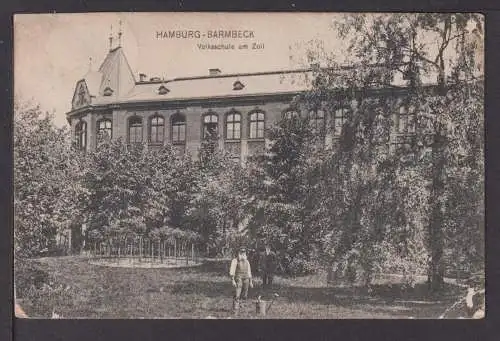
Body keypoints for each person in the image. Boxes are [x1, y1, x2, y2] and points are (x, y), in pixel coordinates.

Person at [229, 247, 253, 313]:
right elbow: (232, 271)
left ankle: (241, 304)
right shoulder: (235, 260)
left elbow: (249, 272)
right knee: (237, 293)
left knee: (245, 294)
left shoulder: (247, 261)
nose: (242, 253)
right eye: (241, 252)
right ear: (239, 253)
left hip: (246, 278)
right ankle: (235, 307)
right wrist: (232, 280)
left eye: (244, 252)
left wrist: (251, 282)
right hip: (238, 278)